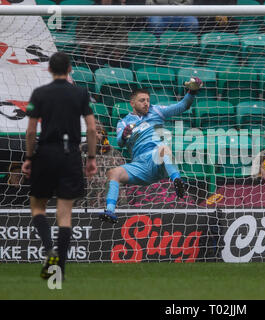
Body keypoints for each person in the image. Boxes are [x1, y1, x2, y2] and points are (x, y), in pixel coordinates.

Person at [22, 51, 97, 279]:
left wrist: (28, 158)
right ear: (70, 69)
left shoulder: (40, 93)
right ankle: (59, 269)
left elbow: (32, 130)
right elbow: (92, 129)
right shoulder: (80, 93)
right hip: (70, 155)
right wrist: (91, 158)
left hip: (46, 153)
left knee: (38, 207)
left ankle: (48, 249)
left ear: (49, 69)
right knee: (64, 215)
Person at [98, 77, 203, 224]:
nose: (146, 103)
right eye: (142, 100)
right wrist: (125, 134)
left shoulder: (157, 111)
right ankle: (110, 211)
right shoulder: (123, 122)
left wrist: (192, 92)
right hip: (139, 166)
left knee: (163, 148)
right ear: (132, 103)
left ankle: (178, 182)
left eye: (147, 100)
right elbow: (121, 143)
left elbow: (183, 106)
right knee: (113, 173)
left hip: (157, 161)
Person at [75, 120, 128, 209]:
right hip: (85, 205)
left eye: (99, 132)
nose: (96, 135)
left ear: (104, 135)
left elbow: (123, 180)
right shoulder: (80, 152)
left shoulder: (114, 154)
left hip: (112, 205)